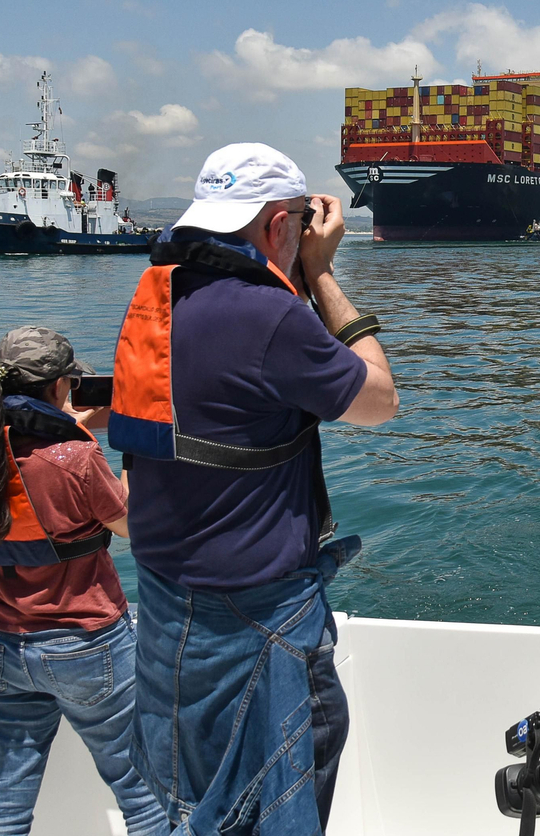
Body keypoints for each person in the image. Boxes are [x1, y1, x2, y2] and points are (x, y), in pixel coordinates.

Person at [109, 144, 398, 835]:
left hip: (167, 611)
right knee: (275, 802)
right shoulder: (271, 317)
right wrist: (324, 278)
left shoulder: (160, 300)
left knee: (195, 801)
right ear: (278, 225)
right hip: (259, 620)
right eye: (301, 220)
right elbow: (380, 401)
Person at [0, 326, 167, 836]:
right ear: (60, 385)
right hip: (86, 646)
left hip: (0, 648)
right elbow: (131, 525)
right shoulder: (74, 457)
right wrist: (128, 447)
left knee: (2, 805)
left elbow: (28, 468)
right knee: (143, 793)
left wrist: (68, 426)